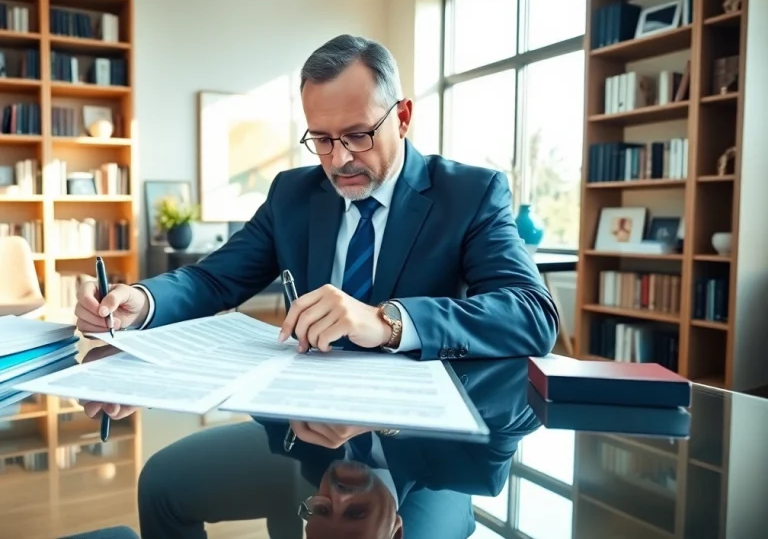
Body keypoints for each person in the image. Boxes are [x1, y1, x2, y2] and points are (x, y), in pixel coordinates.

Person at [74, 34, 559, 538]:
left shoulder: (471, 194)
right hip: (309, 430)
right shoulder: (293, 194)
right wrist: (143, 302)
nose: (339, 158)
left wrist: (388, 321)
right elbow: (213, 277)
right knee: (162, 483)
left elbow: (531, 311)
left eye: (357, 134)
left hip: (429, 448)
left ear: (403, 116)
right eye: (321, 139)